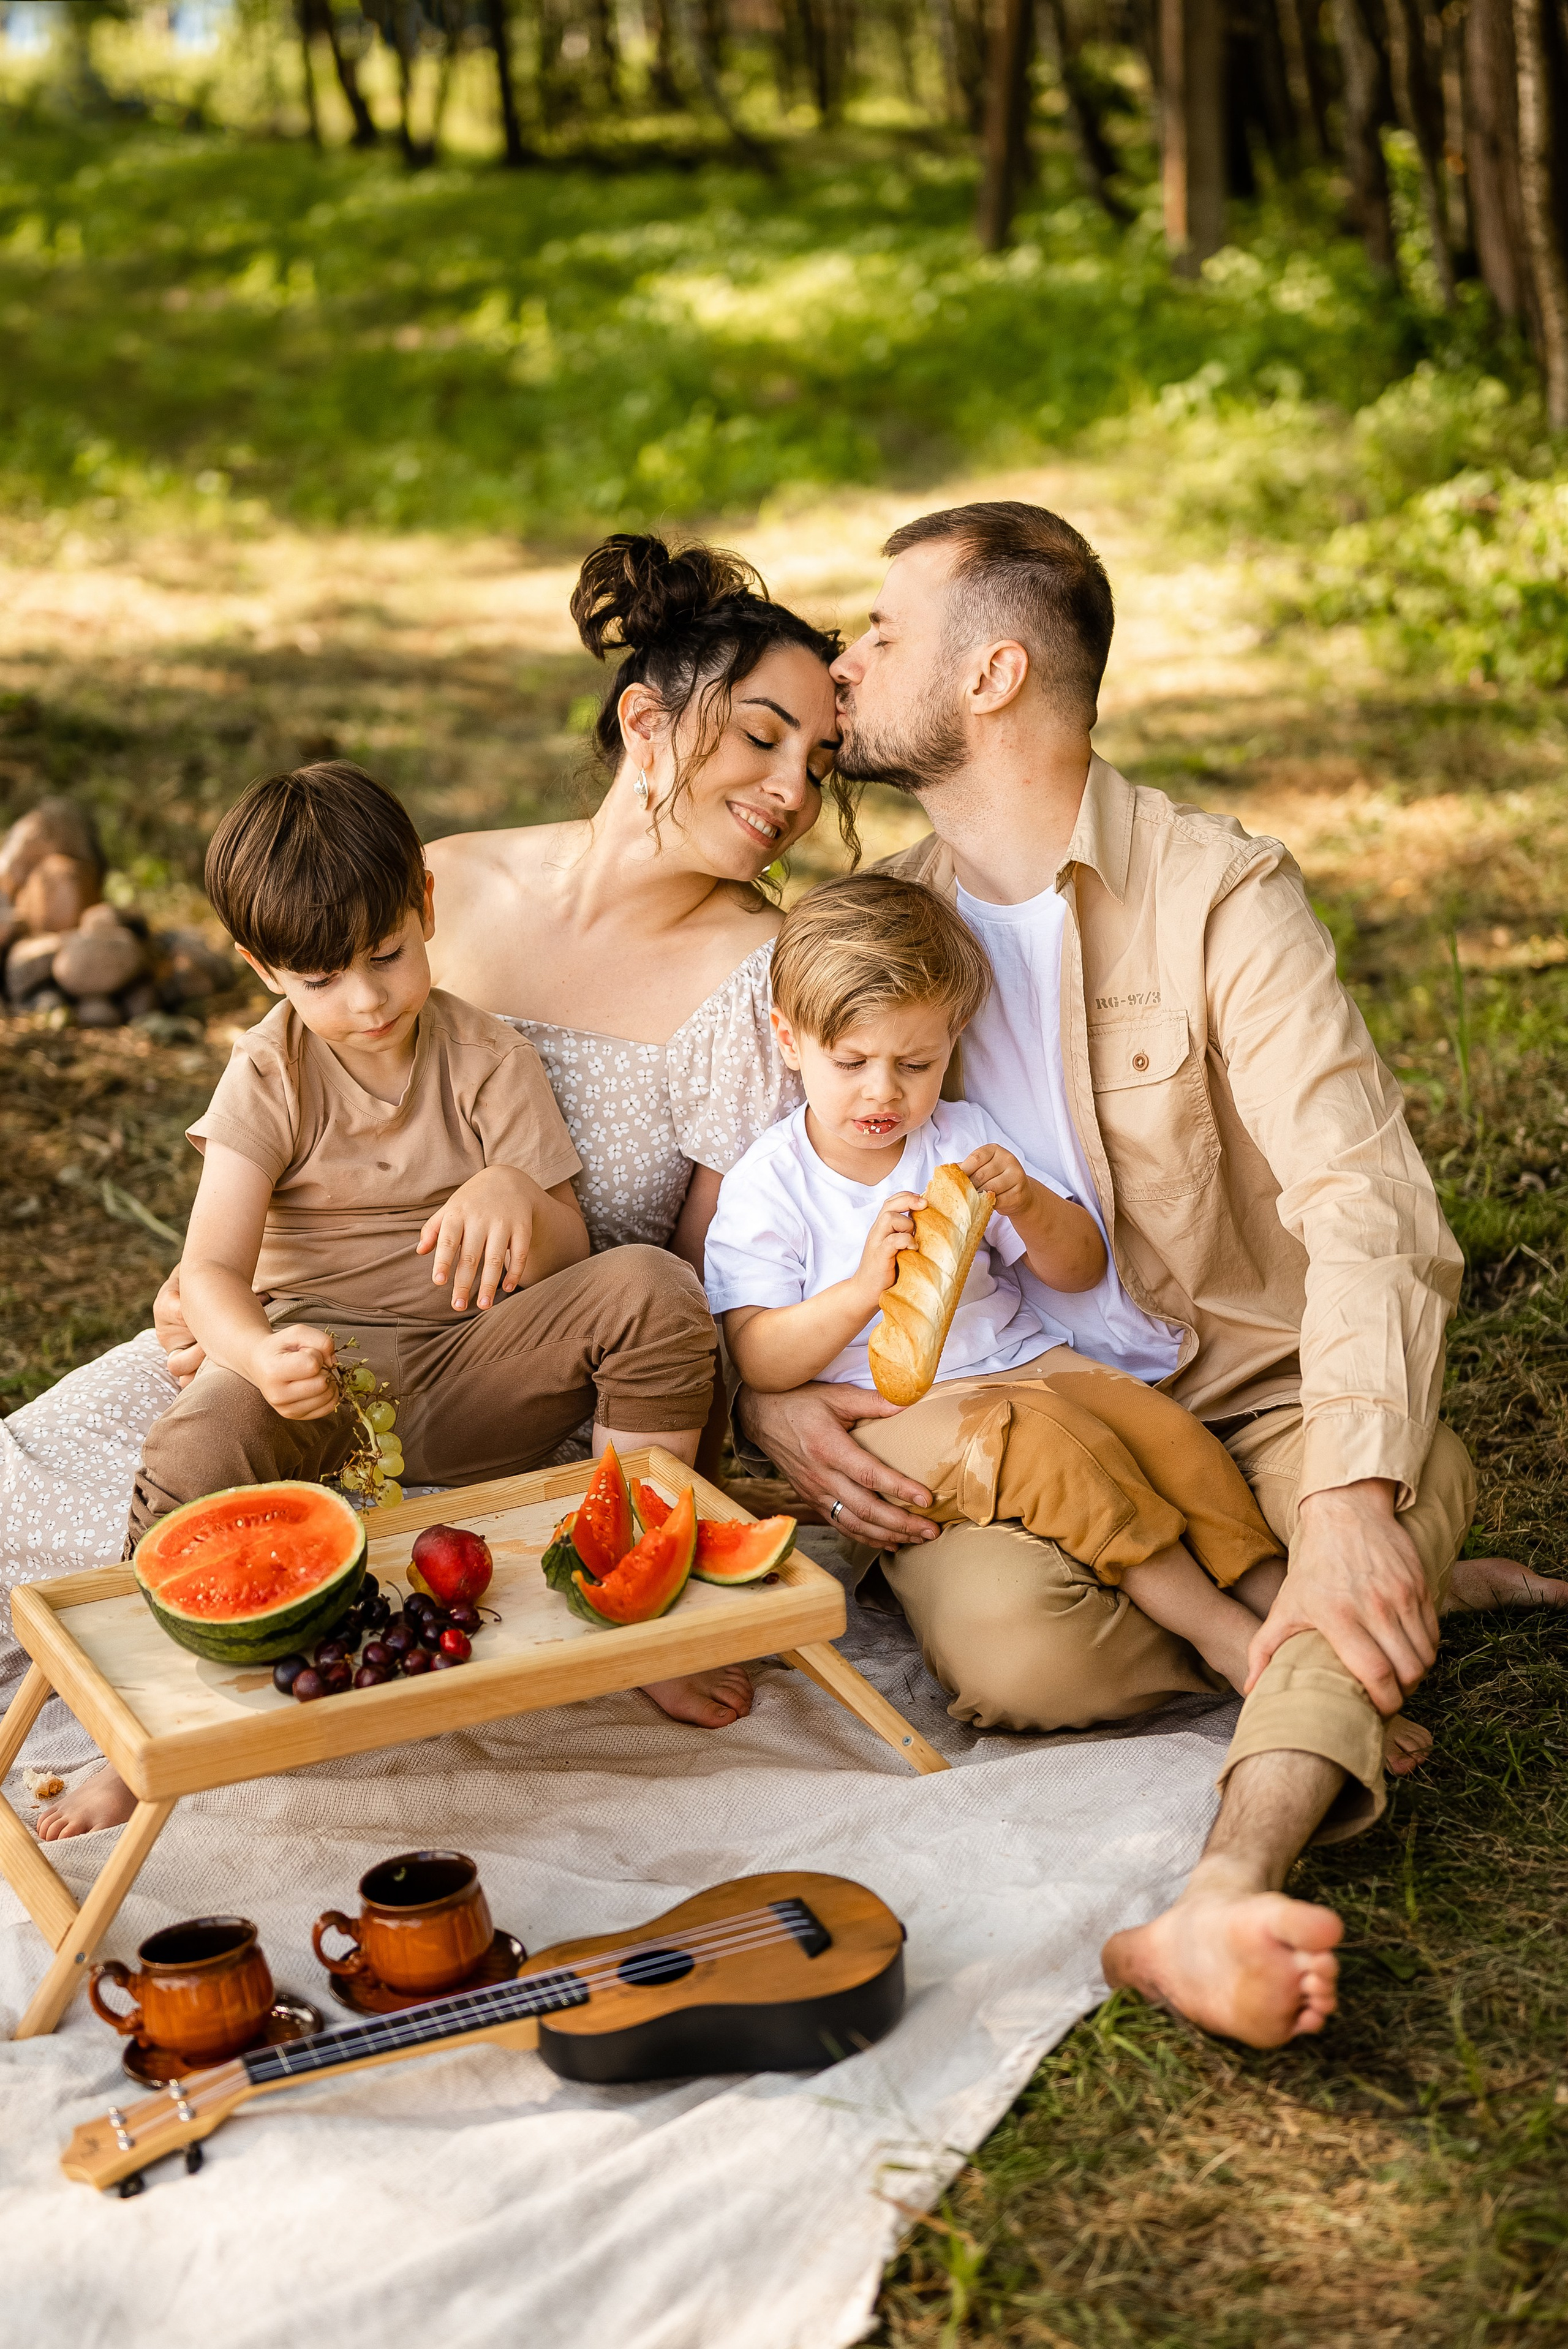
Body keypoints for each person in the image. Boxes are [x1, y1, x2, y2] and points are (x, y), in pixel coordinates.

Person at [736, 499, 1568, 2049]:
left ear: (990, 675)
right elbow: (757, 1213)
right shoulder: (872, 930)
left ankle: (1221, 1887)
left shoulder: (1218, 894)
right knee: (1013, 1651)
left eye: (878, 631)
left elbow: (1368, 1200)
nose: (844, 663)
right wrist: (774, 1407)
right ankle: (1356, 1616)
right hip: (1007, 1418)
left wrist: (1343, 1499)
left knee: (1383, 1471)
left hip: (1243, 1390)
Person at [4, 532, 845, 1748]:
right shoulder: (439, 883)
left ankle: (635, 1607)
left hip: (535, 1379)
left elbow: (707, 1282)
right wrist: (208, 1299)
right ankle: (159, 1706)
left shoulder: (755, 977)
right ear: (647, 724)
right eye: (765, 736)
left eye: (819, 763)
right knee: (35, 1502)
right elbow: (277, 1095)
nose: (794, 792)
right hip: (303, 1342)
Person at [39, 759, 720, 1841]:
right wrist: (258, 1357)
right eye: (319, 980)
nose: (363, 1001)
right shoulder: (270, 1076)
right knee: (193, 1452)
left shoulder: (488, 1056)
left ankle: (639, 1615)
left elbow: (565, 1249)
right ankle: (138, 1736)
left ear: (426, 910)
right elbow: (210, 1269)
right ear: (261, 970)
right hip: (315, 1380)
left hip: (470, 1364)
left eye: (386, 956)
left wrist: (512, 1194)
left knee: (653, 1289)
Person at [707, 872, 1292, 1695]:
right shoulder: (771, 1182)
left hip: (1024, 1358)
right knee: (1055, 1454)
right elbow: (761, 1358)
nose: (884, 1091)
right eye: (852, 1061)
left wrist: (1029, 1202)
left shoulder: (962, 1137)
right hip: (898, 1410)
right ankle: (1227, 1638)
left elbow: (1079, 1266)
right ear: (788, 1038)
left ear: (953, 1040)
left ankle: (1290, 1614)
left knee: (1167, 1436)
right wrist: (862, 1289)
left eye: (917, 1062)